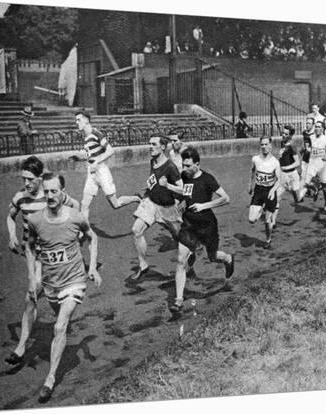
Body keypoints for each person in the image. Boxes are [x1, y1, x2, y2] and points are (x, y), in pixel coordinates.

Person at [23, 172, 100, 403]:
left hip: (75, 281)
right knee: (61, 322)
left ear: (62, 192)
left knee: (59, 326)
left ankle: (50, 380)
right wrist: (33, 278)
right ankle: (63, 331)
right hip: (51, 284)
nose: (49, 195)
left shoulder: (76, 217)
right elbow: (29, 248)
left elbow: (92, 237)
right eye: (46, 191)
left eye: (54, 191)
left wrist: (93, 267)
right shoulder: (36, 220)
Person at [5, 157, 79, 369]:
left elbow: (76, 208)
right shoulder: (20, 197)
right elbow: (10, 217)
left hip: (55, 254)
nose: (26, 183)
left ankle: (62, 324)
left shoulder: (52, 195)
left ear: (39, 178)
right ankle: (20, 347)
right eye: (23, 178)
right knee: (31, 295)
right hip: (34, 255)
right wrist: (12, 235)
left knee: (53, 296)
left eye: (29, 179)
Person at [168, 147, 235, 313]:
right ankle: (178, 300)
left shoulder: (208, 179)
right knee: (181, 260)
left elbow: (226, 198)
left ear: (197, 164)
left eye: (188, 165)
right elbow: (186, 193)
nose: (184, 169)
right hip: (189, 224)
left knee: (213, 257)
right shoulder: (185, 176)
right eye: (183, 165)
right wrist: (180, 204)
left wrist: (204, 205)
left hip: (207, 226)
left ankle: (227, 259)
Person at [131, 135, 184, 279]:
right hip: (151, 203)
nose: (150, 146)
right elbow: (152, 181)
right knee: (136, 230)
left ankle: (189, 257)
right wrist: (146, 192)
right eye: (149, 143)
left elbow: (183, 189)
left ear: (163, 147)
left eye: (153, 144)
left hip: (167, 208)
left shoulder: (170, 167)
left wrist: (168, 185)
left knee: (180, 238)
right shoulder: (152, 161)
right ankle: (143, 266)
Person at [76, 111, 141, 221]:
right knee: (84, 204)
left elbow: (110, 150)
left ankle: (136, 198)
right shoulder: (86, 138)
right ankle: (84, 234)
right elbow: (92, 155)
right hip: (91, 173)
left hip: (102, 171)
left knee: (115, 204)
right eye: (76, 120)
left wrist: (98, 160)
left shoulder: (96, 133)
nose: (76, 122)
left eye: (79, 120)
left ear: (86, 120)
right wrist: (79, 158)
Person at [248, 136, 281, 249]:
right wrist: (250, 185)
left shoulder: (275, 162)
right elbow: (252, 171)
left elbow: (279, 180)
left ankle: (268, 239)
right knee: (251, 219)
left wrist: (272, 190)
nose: (264, 147)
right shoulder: (255, 159)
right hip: (258, 190)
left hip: (270, 191)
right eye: (262, 144)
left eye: (266, 144)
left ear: (271, 146)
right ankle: (262, 209)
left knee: (267, 222)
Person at [298, 121, 326, 212]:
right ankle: (315, 189)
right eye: (316, 127)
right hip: (312, 164)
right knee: (306, 181)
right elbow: (308, 147)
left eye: (319, 127)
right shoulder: (311, 137)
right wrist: (307, 150)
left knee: (325, 186)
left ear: (322, 129)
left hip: (322, 165)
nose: (317, 128)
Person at [271, 125, 301, 226]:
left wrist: (286, 167)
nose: (283, 135)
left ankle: (308, 189)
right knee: (276, 197)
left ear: (291, 135)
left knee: (298, 199)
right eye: (283, 133)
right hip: (283, 176)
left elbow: (297, 163)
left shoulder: (292, 145)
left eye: (286, 134)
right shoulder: (282, 143)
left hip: (292, 175)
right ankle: (273, 222)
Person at [300, 117, 315, 184]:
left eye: (309, 123)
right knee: (303, 173)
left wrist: (311, 149)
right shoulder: (304, 132)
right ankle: (306, 189)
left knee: (311, 174)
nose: (307, 125)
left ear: (313, 125)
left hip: (313, 156)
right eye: (307, 123)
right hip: (305, 155)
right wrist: (302, 149)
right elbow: (304, 141)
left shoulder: (315, 134)